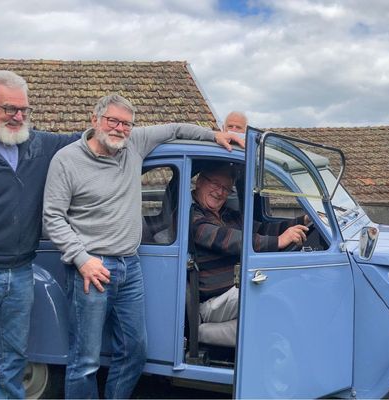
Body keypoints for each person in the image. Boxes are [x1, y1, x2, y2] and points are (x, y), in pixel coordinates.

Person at [42, 94, 244, 399]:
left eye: (126, 123)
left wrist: (214, 135)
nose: (120, 129)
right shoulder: (67, 160)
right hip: (91, 269)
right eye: (113, 121)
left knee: (135, 352)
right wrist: (82, 259)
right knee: (85, 360)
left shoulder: (133, 144)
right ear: (95, 120)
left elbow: (176, 129)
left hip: (129, 265)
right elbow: (53, 217)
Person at [0, 70, 80, 399]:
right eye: (10, 109)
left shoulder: (37, 143)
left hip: (21, 272)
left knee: (13, 361)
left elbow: (94, 136)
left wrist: (189, 134)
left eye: (24, 110)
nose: (19, 117)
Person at [190, 164, 309, 346]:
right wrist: (277, 241)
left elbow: (261, 229)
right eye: (215, 184)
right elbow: (225, 238)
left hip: (236, 288)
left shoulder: (228, 215)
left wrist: (304, 221)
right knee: (270, 298)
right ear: (199, 182)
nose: (220, 192)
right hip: (214, 300)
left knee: (288, 288)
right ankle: (200, 335)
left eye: (226, 188)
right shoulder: (190, 214)